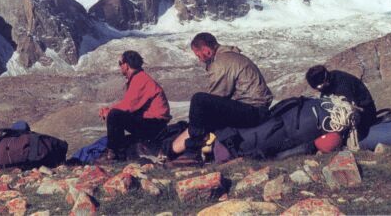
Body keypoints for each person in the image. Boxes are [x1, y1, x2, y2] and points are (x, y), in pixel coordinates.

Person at [168, 32, 274, 166]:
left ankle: (192, 153)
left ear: (206, 51)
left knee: (199, 100)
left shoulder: (222, 62)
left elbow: (216, 96)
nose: (200, 60)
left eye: (198, 55)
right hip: (256, 109)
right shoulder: (231, 57)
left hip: (253, 111)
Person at [97, 50, 171, 162]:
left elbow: (129, 106)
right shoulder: (140, 78)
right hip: (154, 123)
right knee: (116, 114)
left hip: (155, 125)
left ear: (126, 65)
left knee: (115, 115)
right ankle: (117, 153)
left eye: (120, 63)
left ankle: (114, 154)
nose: (120, 66)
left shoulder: (140, 79)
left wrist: (108, 111)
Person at [305, 64, 377, 139]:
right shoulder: (329, 82)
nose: (318, 90)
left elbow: (349, 108)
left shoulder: (342, 83)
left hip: (365, 113)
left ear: (323, 82)